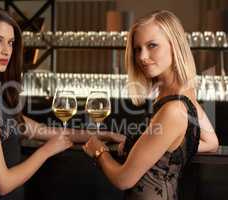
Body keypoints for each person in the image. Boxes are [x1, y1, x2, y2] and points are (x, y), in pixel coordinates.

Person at [0, 5, 125, 200]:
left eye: (10, 42)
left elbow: (46, 131)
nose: (6, 50)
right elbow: (2, 183)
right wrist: (46, 151)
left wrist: (103, 134)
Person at [83, 10, 219, 200]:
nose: (142, 57)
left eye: (152, 45)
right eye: (138, 49)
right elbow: (211, 143)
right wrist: (146, 146)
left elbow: (124, 179)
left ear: (175, 46)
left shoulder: (174, 108)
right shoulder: (180, 94)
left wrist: (99, 150)